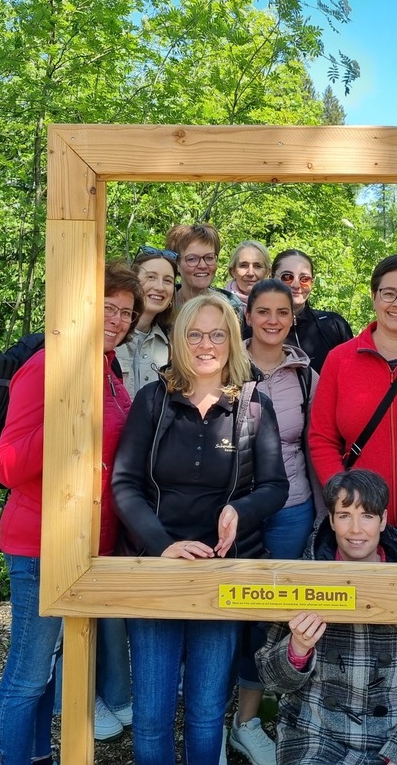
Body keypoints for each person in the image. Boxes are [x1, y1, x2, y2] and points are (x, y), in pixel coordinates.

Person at [112, 293, 289, 765]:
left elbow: (275, 486)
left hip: (221, 573)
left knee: (207, 711)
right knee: (151, 713)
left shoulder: (254, 405)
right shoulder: (154, 399)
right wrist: (162, 545)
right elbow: (124, 483)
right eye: (194, 334)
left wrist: (241, 511)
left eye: (216, 334)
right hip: (157, 571)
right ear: (179, 341)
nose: (205, 344)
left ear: (231, 341)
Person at [0, 262, 143, 764]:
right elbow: (7, 462)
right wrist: (69, 419)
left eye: (126, 311)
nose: (117, 319)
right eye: (109, 307)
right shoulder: (48, 364)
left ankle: (37, 757)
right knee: (29, 674)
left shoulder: (109, 370)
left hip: (89, 548)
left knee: (54, 670)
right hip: (41, 544)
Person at [255, 469, 397, 765]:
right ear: (331, 520)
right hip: (313, 732)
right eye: (344, 515)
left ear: (382, 520)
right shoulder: (305, 578)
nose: (356, 529)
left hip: (388, 737)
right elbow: (271, 680)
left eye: (367, 516)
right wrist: (297, 649)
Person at [228, 278, 320, 765]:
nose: (271, 320)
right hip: (229, 509)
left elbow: (318, 440)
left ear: (292, 317)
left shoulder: (305, 375)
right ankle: (206, 720)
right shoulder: (223, 363)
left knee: (268, 615)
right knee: (221, 608)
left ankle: (247, 722)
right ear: (247, 315)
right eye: (262, 311)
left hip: (291, 507)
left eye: (281, 312)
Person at [307, 254, 397, 557]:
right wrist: (342, 496)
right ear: (374, 295)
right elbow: (321, 437)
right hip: (361, 530)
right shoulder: (340, 359)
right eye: (389, 293)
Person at [270, 248, 353, 376]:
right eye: (287, 277)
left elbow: (351, 378)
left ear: (312, 283)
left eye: (304, 279)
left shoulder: (334, 325)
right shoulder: (259, 327)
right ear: (272, 279)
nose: (296, 285)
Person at [117, 245, 177, 397]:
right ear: (132, 282)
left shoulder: (171, 345)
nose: (160, 287)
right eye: (151, 277)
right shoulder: (109, 334)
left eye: (168, 280)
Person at [168, 222, 246, 322]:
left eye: (209, 258)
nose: (203, 265)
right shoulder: (162, 306)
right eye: (192, 259)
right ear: (177, 264)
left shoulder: (231, 309)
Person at [224, 240, 272, 309]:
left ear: (267, 272)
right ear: (233, 271)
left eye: (257, 266)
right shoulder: (220, 304)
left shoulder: (277, 304)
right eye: (243, 265)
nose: (250, 273)